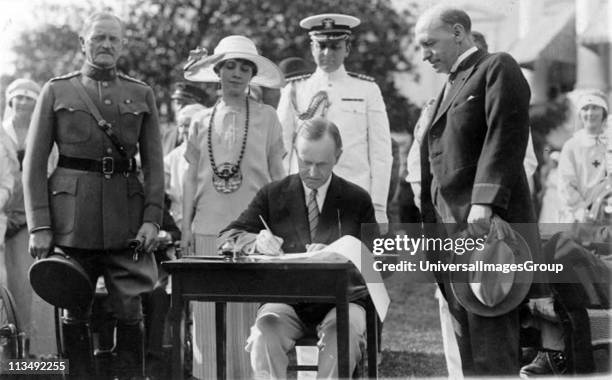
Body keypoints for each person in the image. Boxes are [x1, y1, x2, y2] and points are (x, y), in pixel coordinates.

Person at [23, 12, 164, 378]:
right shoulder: (57, 90)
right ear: (83, 43)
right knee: (73, 308)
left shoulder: (141, 93)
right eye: (98, 38)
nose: (105, 45)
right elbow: (34, 165)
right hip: (72, 221)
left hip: (126, 222)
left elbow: (154, 166)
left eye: (113, 40)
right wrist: (39, 225)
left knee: (131, 309)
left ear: (122, 46)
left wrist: (152, 218)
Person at [414, 6, 549, 375]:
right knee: (467, 345)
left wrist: (483, 202)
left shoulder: (497, 67)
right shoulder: (448, 86)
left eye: (429, 43)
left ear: (459, 33)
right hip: (450, 235)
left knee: (493, 346)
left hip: (485, 231)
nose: (424, 55)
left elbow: (506, 135)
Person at [218, 117, 378, 378]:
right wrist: (255, 241)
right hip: (285, 300)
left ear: (338, 156)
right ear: (295, 153)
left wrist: (340, 253)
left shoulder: (356, 199)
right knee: (263, 334)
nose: (313, 173)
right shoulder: (272, 194)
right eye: (305, 162)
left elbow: (377, 259)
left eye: (322, 164)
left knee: (343, 337)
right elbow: (229, 236)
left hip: (343, 300)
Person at [181, 35, 286, 379]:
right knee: (208, 321)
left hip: (251, 234)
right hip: (207, 230)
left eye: (244, 67)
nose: (237, 73)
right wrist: (185, 229)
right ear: (218, 71)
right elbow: (189, 179)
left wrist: (281, 227)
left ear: (252, 74)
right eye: (230, 66)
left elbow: (277, 176)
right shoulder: (199, 120)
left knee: (250, 322)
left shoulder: (268, 117)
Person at [277, 13, 392, 228]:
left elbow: (381, 153)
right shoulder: (294, 89)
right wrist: (281, 200)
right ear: (312, 48)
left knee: (355, 260)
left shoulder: (367, 90)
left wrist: (378, 206)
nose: (327, 53)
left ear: (347, 49)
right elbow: (281, 151)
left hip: (353, 195)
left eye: (335, 46)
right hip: (304, 199)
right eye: (321, 46)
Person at [2, 78, 58, 357]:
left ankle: (40, 359)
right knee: (8, 289)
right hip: (4, 224)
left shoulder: (45, 137)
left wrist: (30, 216)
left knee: (34, 291)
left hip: (33, 223)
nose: (22, 103)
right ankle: (10, 358)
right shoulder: (2, 135)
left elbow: (48, 177)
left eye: (28, 98)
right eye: (18, 97)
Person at [557, 90, 608, 222]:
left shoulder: (609, 144)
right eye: (585, 109)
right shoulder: (571, 146)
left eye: (595, 108)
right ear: (580, 114)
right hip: (579, 217)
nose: (590, 113)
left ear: (604, 112)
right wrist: (582, 209)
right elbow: (566, 183)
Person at [164, 103, 207, 227]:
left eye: (188, 125)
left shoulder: (213, 154)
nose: (184, 130)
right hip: (178, 220)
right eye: (181, 126)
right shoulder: (173, 156)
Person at [162, 82, 209, 155]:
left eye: (187, 104)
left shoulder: (208, 137)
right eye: (177, 103)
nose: (181, 108)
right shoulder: (167, 135)